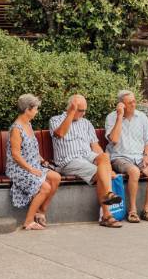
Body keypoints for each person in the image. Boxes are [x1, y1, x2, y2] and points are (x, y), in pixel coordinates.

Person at [49, 94, 123, 228]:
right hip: (68, 160)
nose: (83, 114)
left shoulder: (86, 123)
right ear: (71, 108)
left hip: (87, 156)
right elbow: (60, 134)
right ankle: (107, 215)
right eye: (80, 110)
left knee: (104, 157)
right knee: (101, 174)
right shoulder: (56, 120)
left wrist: (108, 168)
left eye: (85, 111)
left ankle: (109, 195)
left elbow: (95, 146)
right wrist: (70, 114)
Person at [6, 94, 61, 231]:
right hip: (19, 169)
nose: (37, 111)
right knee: (45, 187)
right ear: (28, 110)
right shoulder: (16, 129)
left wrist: (42, 161)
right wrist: (31, 170)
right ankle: (28, 221)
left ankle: (41, 211)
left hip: (33, 165)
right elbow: (16, 155)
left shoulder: (28, 124)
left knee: (56, 177)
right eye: (35, 108)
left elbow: (32, 149)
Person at [105, 90, 148, 224]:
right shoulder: (111, 117)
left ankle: (146, 209)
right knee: (134, 171)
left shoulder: (142, 117)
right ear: (121, 104)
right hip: (119, 157)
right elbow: (114, 139)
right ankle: (132, 210)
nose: (134, 105)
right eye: (130, 103)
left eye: (134, 101)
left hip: (139, 157)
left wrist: (146, 156)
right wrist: (120, 116)